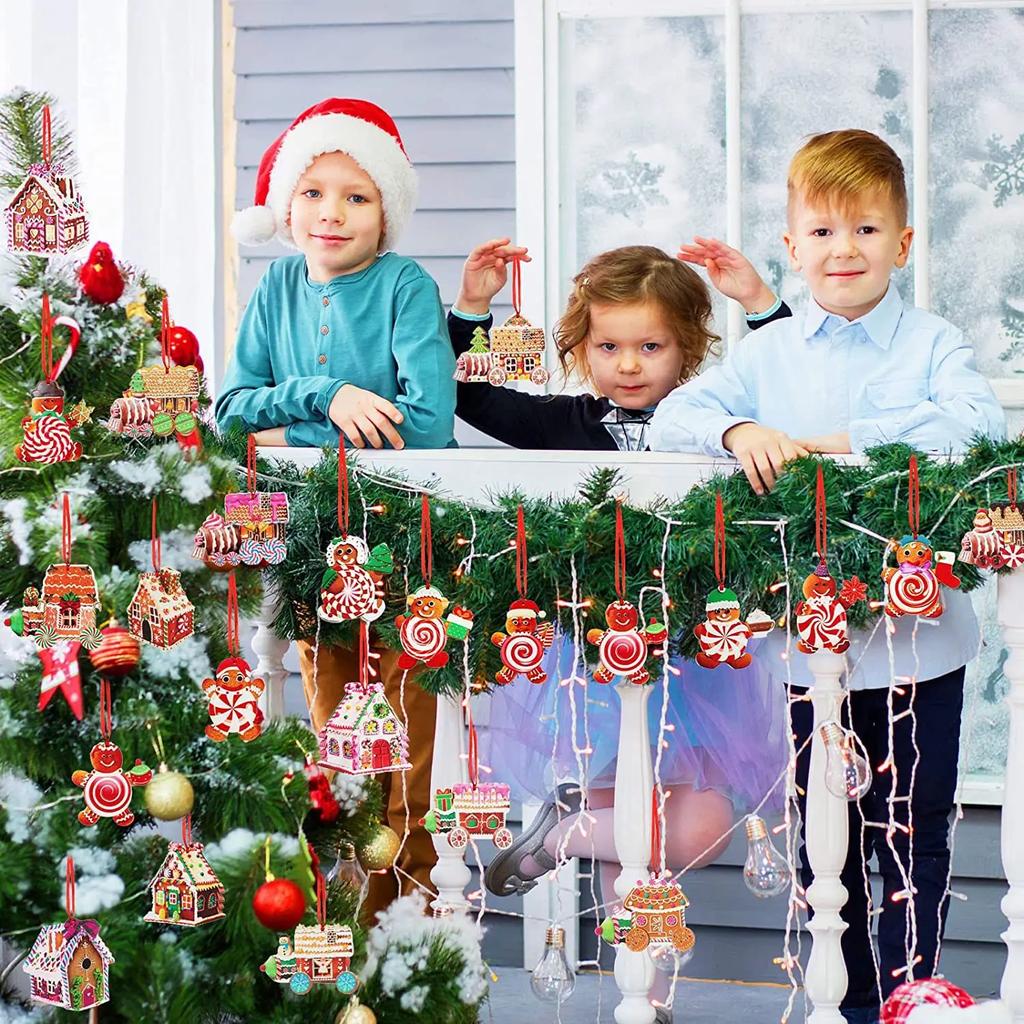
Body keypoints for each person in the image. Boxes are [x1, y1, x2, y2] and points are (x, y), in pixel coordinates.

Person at [649, 129, 1006, 1023]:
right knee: (823, 842)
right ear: (792, 245)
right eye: (822, 232)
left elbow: (972, 427)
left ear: (904, 244)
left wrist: (833, 445)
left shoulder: (931, 342)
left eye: (866, 230)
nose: (843, 250)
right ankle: (842, 1002)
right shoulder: (766, 356)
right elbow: (674, 417)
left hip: (921, 647)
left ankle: (911, 1000)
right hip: (805, 654)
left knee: (916, 835)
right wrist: (738, 433)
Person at [452, 238, 791, 1021]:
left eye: (651, 346)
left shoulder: (712, 420)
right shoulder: (566, 422)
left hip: (700, 661)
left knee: (694, 824)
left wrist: (760, 302)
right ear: (580, 346)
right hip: (598, 661)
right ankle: (651, 997)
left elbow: (788, 386)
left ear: (688, 348)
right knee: (633, 844)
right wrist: (473, 309)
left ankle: (564, 836)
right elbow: (474, 399)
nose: (629, 364)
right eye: (608, 346)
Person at [216, 98, 454, 920]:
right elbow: (229, 408)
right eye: (315, 192)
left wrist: (293, 424)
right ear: (287, 206)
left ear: (386, 211)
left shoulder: (406, 287)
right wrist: (332, 394)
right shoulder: (275, 284)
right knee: (334, 727)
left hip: (399, 534)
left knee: (408, 722)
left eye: (356, 195)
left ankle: (412, 916)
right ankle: (345, 913)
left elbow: (423, 425)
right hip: (311, 539)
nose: (332, 212)